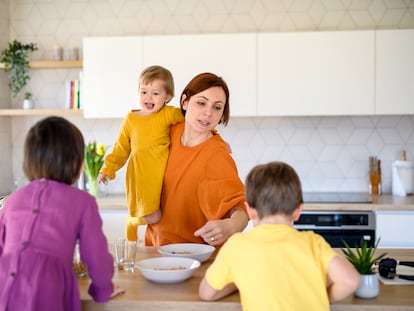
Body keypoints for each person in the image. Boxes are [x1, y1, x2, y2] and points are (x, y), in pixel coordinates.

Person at [199, 161, 361, 310]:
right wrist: (323, 298)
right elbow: (350, 281)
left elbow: (207, 293)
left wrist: (238, 280)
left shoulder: (236, 246)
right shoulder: (313, 242)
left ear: (249, 211)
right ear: (298, 212)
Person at [0, 116, 121, 311]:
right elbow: (96, 257)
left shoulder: (13, 199)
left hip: (4, 286)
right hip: (48, 290)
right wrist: (103, 290)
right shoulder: (83, 202)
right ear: (75, 162)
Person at [144, 72, 249, 247]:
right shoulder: (166, 132)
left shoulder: (216, 155)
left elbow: (240, 207)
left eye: (217, 107)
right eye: (201, 103)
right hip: (155, 251)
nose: (208, 113)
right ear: (185, 101)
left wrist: (231, 226)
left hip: (196, 259)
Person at [99, 65, 184, 241]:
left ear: (167, 96)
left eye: (155, 93)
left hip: (164, 176)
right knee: (155, 216)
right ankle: (132, 222)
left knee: (168, 213)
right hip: (142, 176)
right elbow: (121, 149)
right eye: (144, 92)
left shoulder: (168, 114)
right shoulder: (131, 119)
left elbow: (193, 119)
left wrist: (214, 135)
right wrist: (108, 169)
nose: (148, 97)